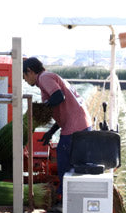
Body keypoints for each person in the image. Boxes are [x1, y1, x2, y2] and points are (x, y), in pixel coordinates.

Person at [21, 57, 92, 197]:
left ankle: (64, 198)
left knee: (64, 161)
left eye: (24, 76)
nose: (24, 80)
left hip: (75, 127)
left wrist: (42, 108)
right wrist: (51, 132)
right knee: (71, 162)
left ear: (29, 71)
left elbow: (59, 96)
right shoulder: (47, 79)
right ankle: (71, 197)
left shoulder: (44, 78)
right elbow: (62, 110)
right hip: (79, 124)